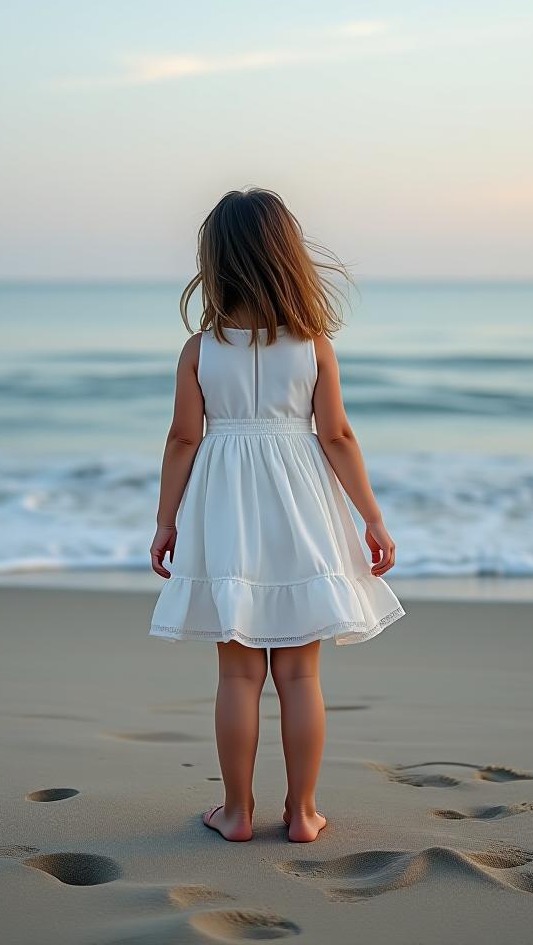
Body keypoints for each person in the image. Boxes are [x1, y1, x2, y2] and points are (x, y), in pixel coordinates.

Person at [148, 187, 405, 844]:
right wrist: (372, 519)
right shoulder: (313, 344)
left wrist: (166, 520)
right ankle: (302, 813)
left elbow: (183, 439)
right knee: (299, 673)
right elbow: (337, 436)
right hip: (302, 503)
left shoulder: (199, 350)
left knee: (238, 672)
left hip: (226, 503)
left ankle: (235, 813)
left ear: (217, 262)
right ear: (286, 257)